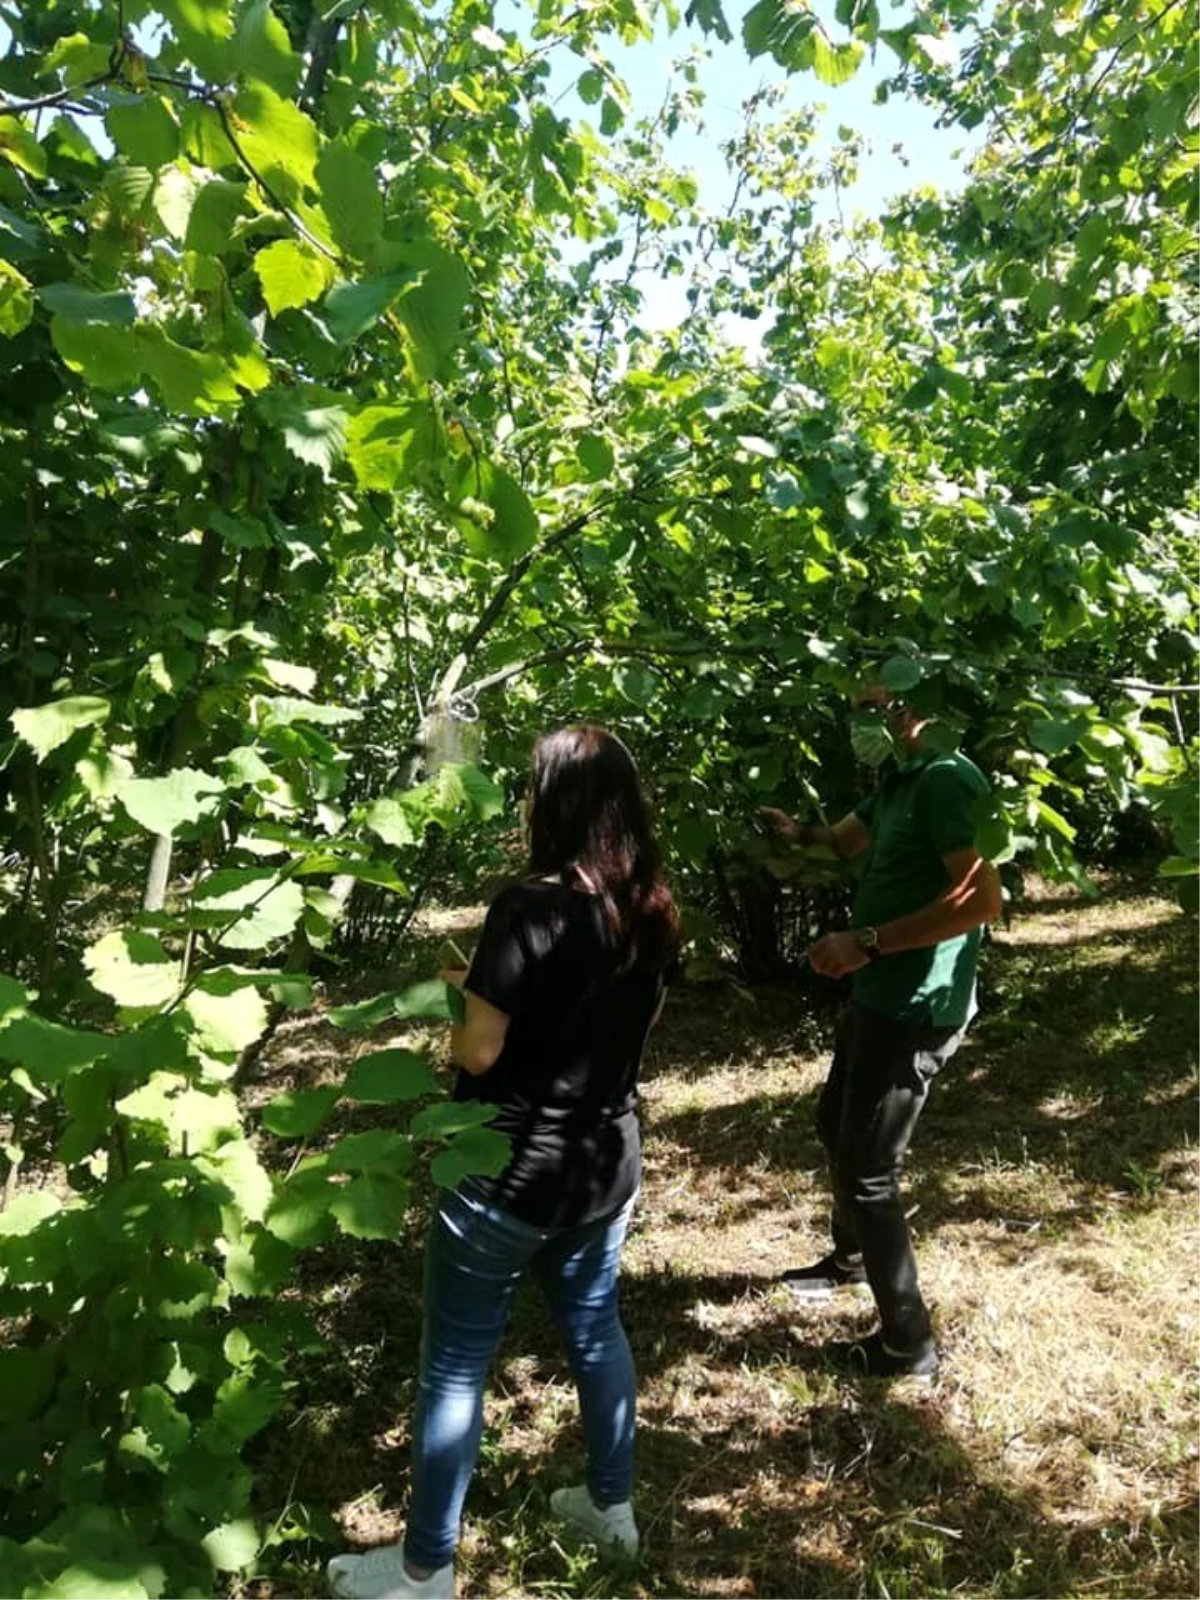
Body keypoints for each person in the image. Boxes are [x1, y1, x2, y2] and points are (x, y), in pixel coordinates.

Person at [328, 725, 679, 1600]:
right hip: (605, 1164)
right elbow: (631, 1029)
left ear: (549, 799)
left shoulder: (530, 907)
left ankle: (424, 1571)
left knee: (454, 1362)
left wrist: (463, 1001)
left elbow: (481, 1052)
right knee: (595, 1328)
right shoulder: (651, 905)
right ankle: (612, 1509)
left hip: (507, 1169)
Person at [761, 686, 1001, 1379]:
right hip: (879, 996)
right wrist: (795, 834)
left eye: (886, 706)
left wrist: (868, 942)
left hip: (916, 1006)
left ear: (926, 706)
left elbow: (980, 899)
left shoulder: (949, 780)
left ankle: (908, 1342)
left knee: (869, 1169)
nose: (872, 721)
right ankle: (852, 1259)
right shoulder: (900, 782)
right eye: (861, 708)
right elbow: (841, 840)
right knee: (835, 1122)